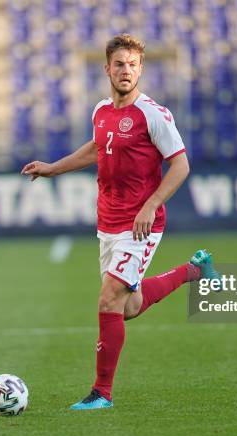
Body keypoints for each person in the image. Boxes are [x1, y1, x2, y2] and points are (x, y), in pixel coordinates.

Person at [22, 34, 221, 410]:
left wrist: (151, 205)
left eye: (132, 64)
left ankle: (102, 393)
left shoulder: (154, 114)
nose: (125, 71)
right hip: (108, 223)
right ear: (107, 69)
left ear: (140, 69)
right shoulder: (101, 110)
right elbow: (97, 148)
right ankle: (193, 271)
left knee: (109, 298)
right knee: (127, 306)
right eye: (119, 64)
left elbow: (181, 165)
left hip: (140, 225)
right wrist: (53, 169)